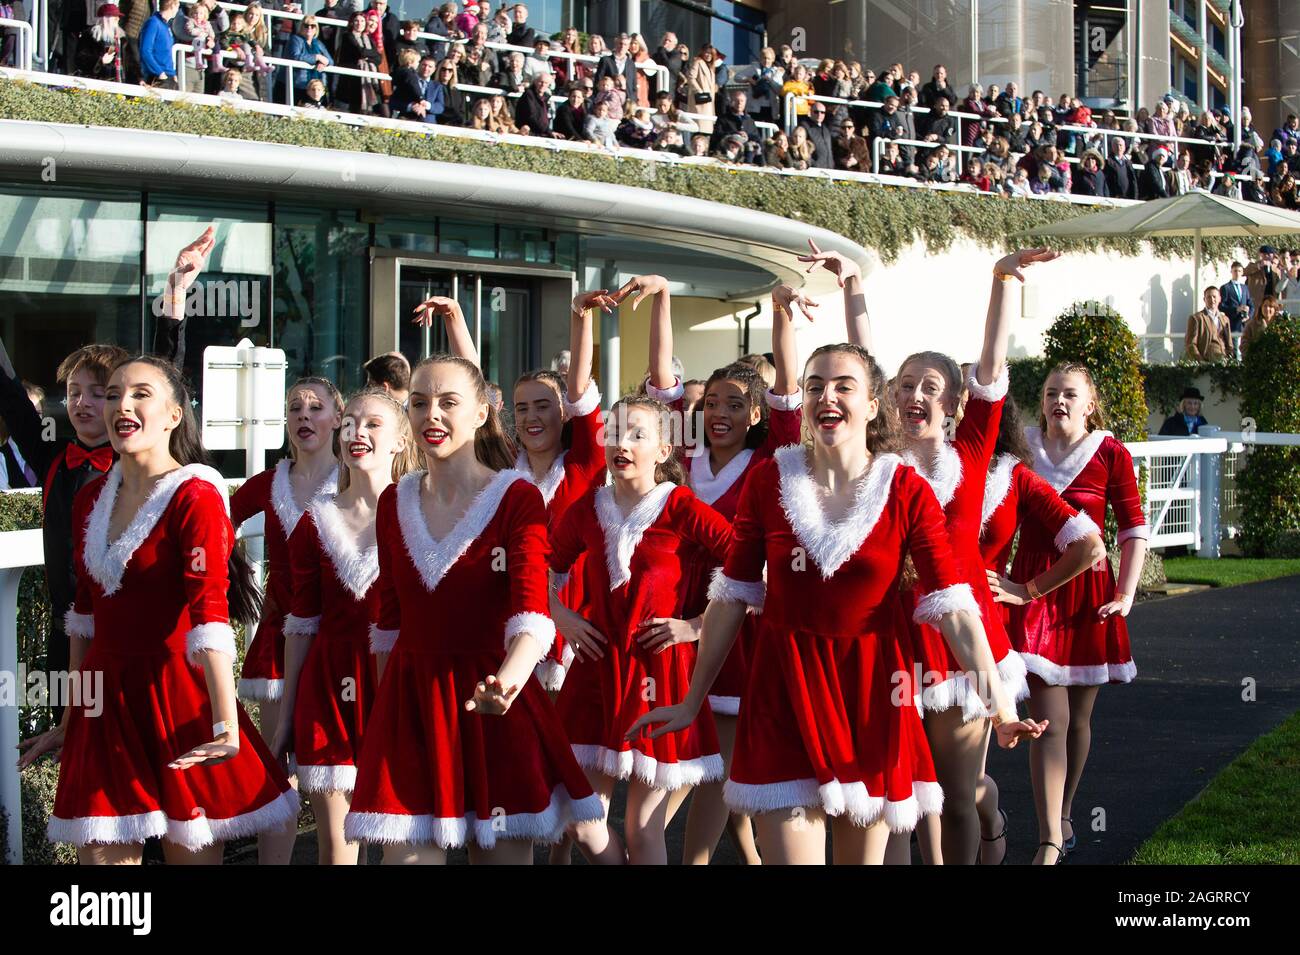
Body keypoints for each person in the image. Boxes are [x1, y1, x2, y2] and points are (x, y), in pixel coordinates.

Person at [17, 355, 298, 864]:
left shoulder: (196, 493)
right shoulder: (90, 500)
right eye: (113, 394)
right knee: (99, 867)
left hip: (176, 696)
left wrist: (225, 722)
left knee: (187, 849)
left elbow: (210, 615)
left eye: (141, 393)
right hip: (104, 699)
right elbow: (83, 618)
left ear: (174, 414)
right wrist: (71, 717)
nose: (121, 404)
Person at [343, 352, 604, 863]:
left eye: (448, 402)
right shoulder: (394, 501)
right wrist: (380, 721)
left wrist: (506, 684)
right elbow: (389, 626)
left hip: (496, 702)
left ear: (482, 412)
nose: (431, 415)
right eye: (418, 403)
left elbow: (531, 614)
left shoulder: (516, 497)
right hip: (412, 707)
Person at [546, 276, 736, 865]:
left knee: (644, 832)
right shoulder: (588, 508)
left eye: (638, 434)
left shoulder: (682, 507)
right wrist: (562, 617)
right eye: (615, 433)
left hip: (663, 673)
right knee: (582, 821)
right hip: (597, 673)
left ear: (663, 449)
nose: (622, 443)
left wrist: (695, 626)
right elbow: (540, 571)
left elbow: (749, 569)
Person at [1002, 363, 1148, 864]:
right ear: (1040, 402)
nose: (1058, 402)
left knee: (1079, 719)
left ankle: (1064, 812)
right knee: (1051, 719)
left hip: (1089, 595)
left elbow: (1132, 530)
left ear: (1090, 404)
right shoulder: (1021, 449)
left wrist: (1126, 594)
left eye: (1069, 395)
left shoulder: (1109, 452)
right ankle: (1048, 839)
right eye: (1049, 394)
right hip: (1032, 591)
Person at [273, 389, 419, 864]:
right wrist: (289, 711)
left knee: (402, 840)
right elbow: (301, 624)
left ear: (401, 440)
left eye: (374, 423)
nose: (358, 432)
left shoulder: (423, 516)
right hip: (328, 689)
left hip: (400, 684)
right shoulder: (314, 521)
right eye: (351, 422)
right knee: (337, 847)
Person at [708, 89, 762, 164]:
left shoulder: (750, 121)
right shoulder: (723, 118)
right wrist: (735, 134)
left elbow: (757, 138)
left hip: (746, 158)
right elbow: (717, 135)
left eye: (742, 101)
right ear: (731, 102)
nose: (739, 103)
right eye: (736, 100)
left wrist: (747, 136)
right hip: (727, 157)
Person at [75, 3, 126, 82]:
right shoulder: (90, 35)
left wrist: (139, 78)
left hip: (116, 81)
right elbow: (80, 58)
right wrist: (100, 61)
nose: (115, 20)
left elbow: (129, 62)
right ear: (102, 19)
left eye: (116, 17)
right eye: (110, 16)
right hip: (94, 80)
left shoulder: (121, 38)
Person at [287, 15, 334, 98]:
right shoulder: (295, 39)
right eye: (306, 25)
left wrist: (322, 63)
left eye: (312, 26)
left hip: (316, 88)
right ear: (301, 27)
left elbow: (330, 61)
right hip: (298, 85)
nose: (309, 28)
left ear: (316, 29)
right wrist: (316, 57)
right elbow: (295, 56)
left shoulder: (318, 43)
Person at [1184, 286, 1234, 362]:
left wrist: (1230, 359)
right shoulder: (1197, 318)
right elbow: (1191, 344)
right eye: (1209, 297)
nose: (1212, 300)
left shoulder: (1225, 319)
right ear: (1204, 299)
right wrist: (1200, 361)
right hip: (1206, 362)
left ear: (1220, 299)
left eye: (1214, 297)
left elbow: (1229, 344)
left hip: (1224, 362)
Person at [139, 0, 181, 87]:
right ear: (172, 6)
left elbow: (166, 53)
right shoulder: (153, 23)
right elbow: (145, 50)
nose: (177, 10)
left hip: (168, 75)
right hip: (157, 76)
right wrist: (159, 72)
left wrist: (173, 74)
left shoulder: (166, 25)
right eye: (177, 7)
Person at [687, 45, 718, 134]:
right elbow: (690, 77)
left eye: (711, 54)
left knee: (706, 131)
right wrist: (699, 91)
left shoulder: (711, 67)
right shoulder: (698, 62)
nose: (708, 55)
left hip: (708, 103)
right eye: (706, 53)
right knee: (699, 129)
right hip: (700, 101)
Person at [1220, 261, 1255, 340]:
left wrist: (1249, 315)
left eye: (1239, 271)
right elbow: (1221, 306)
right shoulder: (1226, 287)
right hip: (1232, 323)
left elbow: (1251, 304)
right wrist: (1236, 309)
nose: (1237, 273)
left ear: (1242, 272)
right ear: (1231, 271)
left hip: (1244, 324)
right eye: (1235, 271)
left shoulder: (1245, 287)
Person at [516, 71, 557, 138]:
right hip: (530, 133)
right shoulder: (528, 95)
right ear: (535, 82)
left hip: (542, 132)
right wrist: (549, 132)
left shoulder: (545, 98)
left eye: (546, 83)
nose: (543, 85)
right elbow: (532, 117)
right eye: (541, 82)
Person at [799, 101, 835, 170]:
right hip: (814, 170)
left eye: (822, 112)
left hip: (829, 170)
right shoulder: (805, 126)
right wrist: (812, 163)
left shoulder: (826, 128)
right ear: (810, 112)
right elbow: (801, 147)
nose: (819, 114)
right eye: (816, 112)